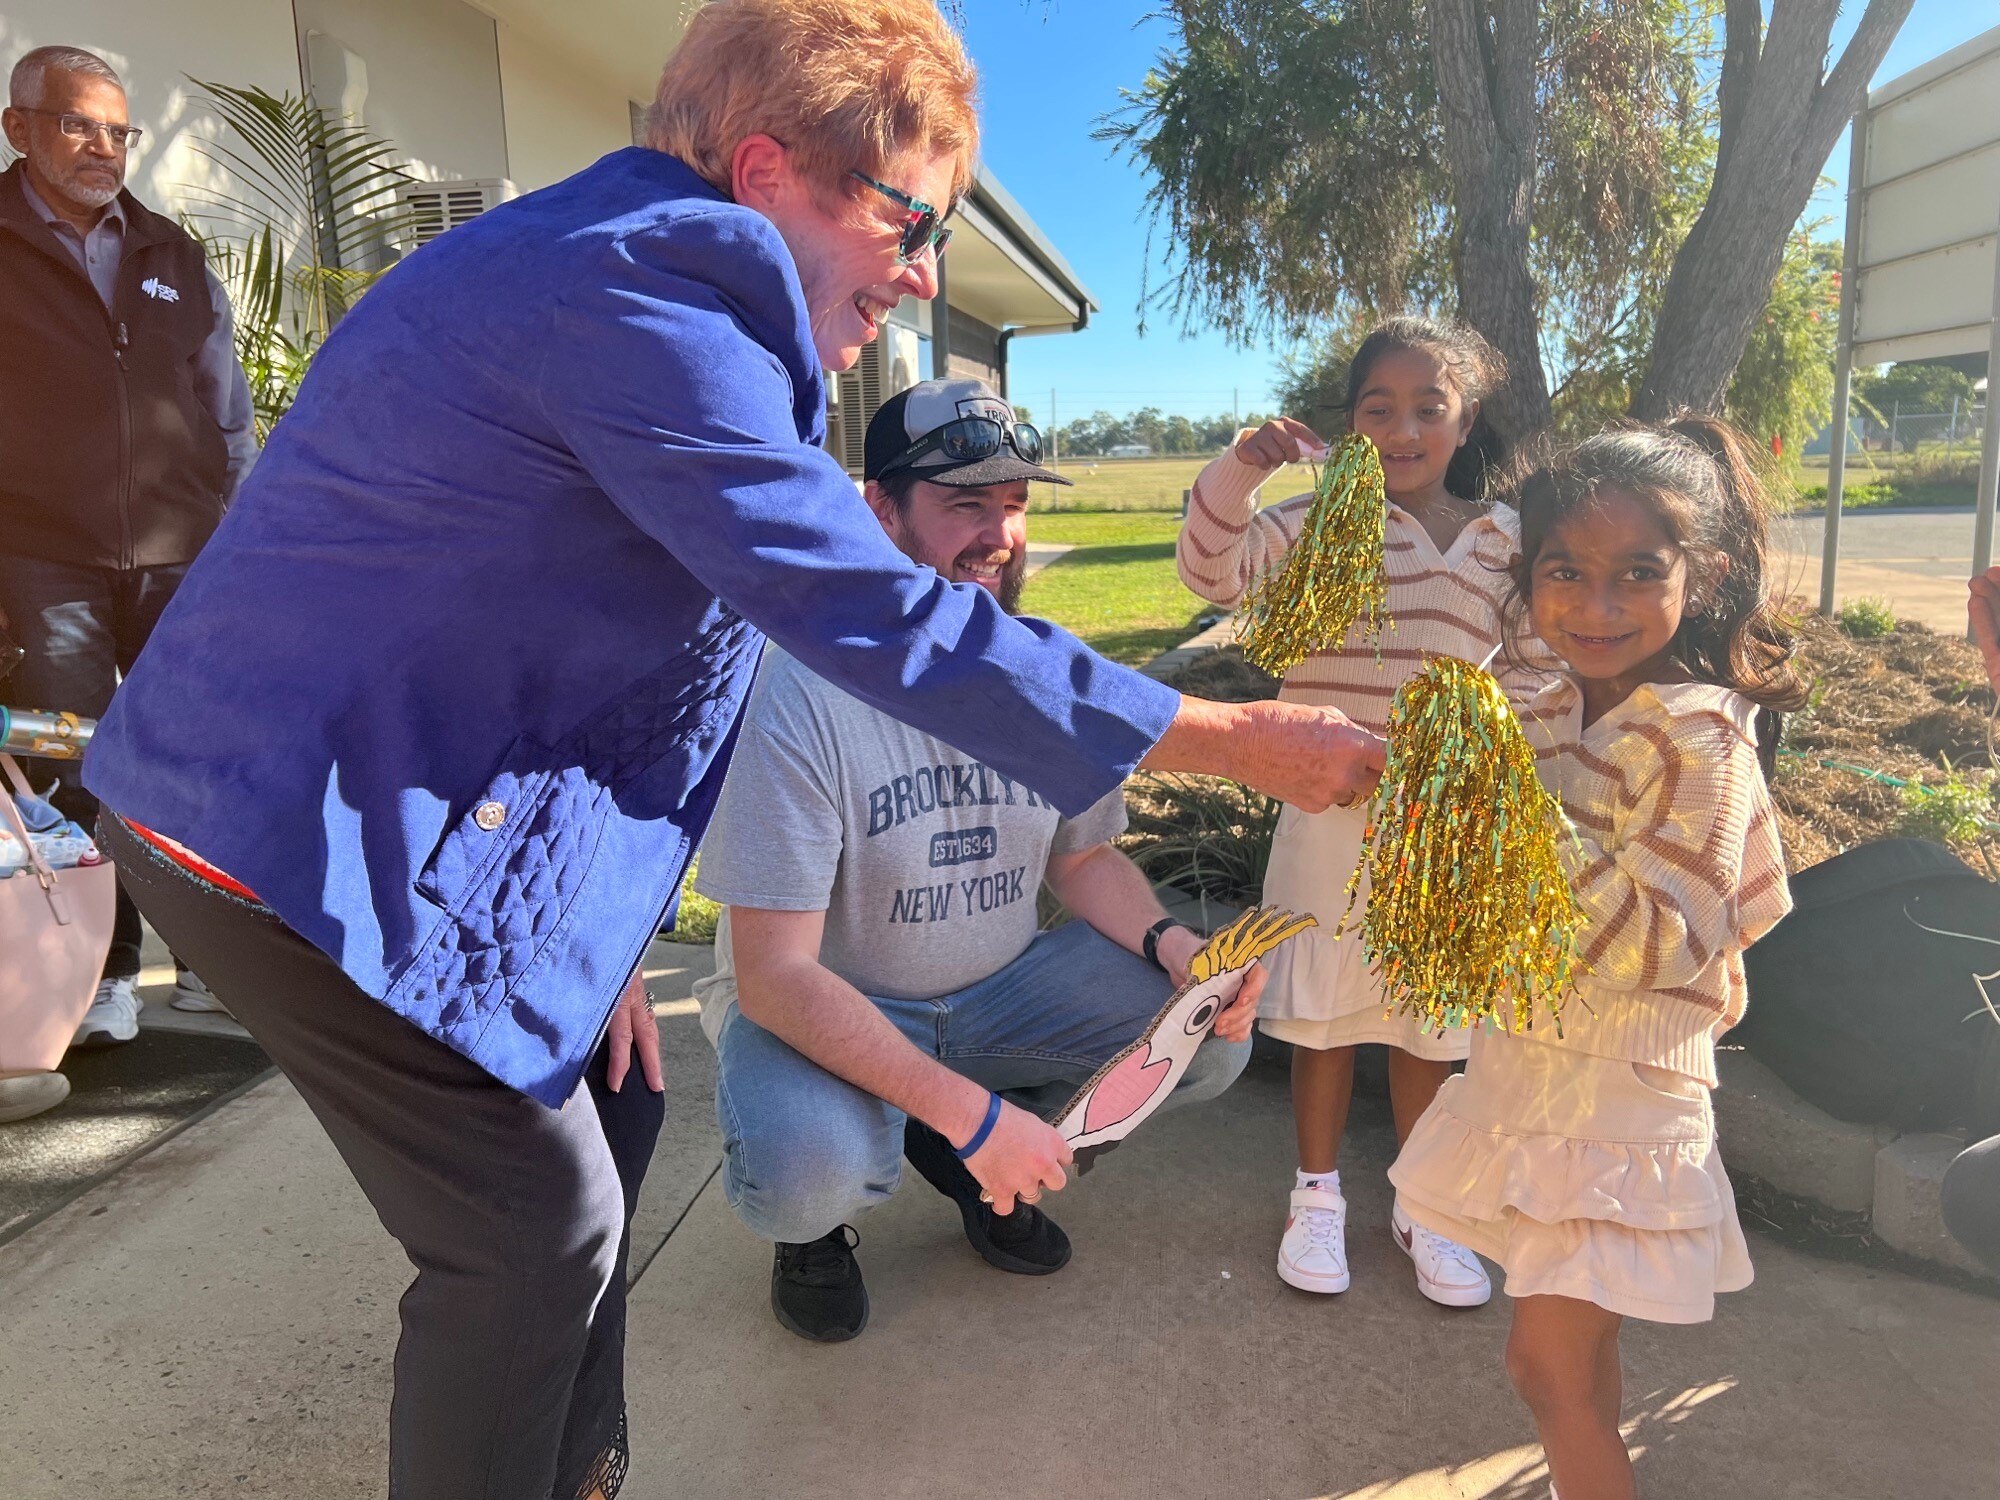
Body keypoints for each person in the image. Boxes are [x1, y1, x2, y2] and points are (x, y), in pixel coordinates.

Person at [81, 4, 1382, 1495]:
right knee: (525, 1222)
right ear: (764, 171)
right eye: (909, 220)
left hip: (404, 807)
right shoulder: (652, 286)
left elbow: (563, 639)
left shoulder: (634, 282)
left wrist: (592, 937)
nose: (921, 277)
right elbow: (866, 610)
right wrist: (1223, 736)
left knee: (622, 1100)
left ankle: (580, 1463)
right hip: (278, 829)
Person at [692, 378, 1262, 1342]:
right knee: (804, 1173)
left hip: (1001, 989)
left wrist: (1174, 946)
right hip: (834, 1006)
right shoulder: (798, 688)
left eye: (1013, 505)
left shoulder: (1046, 675)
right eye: (965, 504)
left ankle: (968, 1157)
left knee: (1210, 1039)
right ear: (880, 510)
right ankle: (821, 1230)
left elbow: (1083, 863)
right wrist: (975, 1111)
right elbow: (774, 977)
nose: (999, 535)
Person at [1390, 416, 1808, 1500]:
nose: (1595, 605)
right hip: (1535, 1066)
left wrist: (1497, 822)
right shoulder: (1543, 705)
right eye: (1561, 572)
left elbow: (1656, 935)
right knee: (1575, 1363)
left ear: (1700, 576)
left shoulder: (1698, 737)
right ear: (1525, 578)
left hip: (1618, 1090)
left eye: (1636, 573)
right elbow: (1487, 870)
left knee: (1541, 1365)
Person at [1177, 317, 1558, 1305]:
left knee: (1427, 1025)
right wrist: (1241, 470)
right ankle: (1314, 1199)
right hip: (1327, 816)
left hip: (1441, 832)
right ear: (1349, 425)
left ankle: (1419, 1204)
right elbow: (1209, 571)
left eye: (1426, 407)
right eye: (1375, 408)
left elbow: (1528, 670)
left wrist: (1490, 767)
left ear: (1464, 419)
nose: (1400, 428)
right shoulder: (1319, 525)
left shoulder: (1503, 540)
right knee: (1322, 1020)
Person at [0, 45, 256, 1044]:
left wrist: (235, 546)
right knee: (73, 771)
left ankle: (206, 965)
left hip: (180, 555)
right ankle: (102, 971)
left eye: (118, 129)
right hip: (39, 556)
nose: (102, 148)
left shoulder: (169, 253)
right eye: (76, 124)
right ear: (19, 127)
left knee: (186, 759)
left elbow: (224, 413)